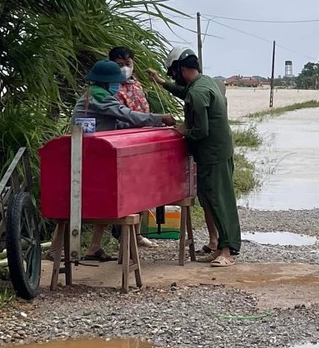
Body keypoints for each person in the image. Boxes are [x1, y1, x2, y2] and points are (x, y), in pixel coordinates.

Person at [147, 47, 242, 267]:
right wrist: (162, 83)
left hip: (212, 153)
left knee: (219, 200)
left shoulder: (198, 93)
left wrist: (181, 130)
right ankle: (218, 246)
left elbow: (201, 131)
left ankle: (228, 251)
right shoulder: (204, 82)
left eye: (173, 74)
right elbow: (185, 93)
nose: (174, 78)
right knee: (209, 199)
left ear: (181, 69)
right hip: (217, 150)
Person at [73, 59, 175, 260]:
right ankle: (60, 249)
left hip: (89, 152)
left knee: (99, 202)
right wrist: (159, 118)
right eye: (115, 82)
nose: (117, 86)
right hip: (94, 155)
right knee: (102, 199)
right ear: (106, 82)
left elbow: (116, 123)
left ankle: (93, 247)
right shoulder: (101, 98)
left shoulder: (92, 95)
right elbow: (127, 115)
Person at [108, 46, 160, 249]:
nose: (125, 69)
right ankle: (121, 235)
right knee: (121, 191)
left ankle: (137, 233)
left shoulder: (136, 83)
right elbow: (120, 116)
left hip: (142, 142)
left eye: (127, 64)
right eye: (120, 65)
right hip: (121, 144)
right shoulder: (111, 87)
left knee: (141, 188)